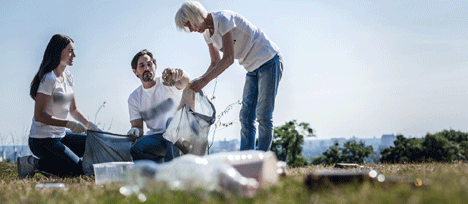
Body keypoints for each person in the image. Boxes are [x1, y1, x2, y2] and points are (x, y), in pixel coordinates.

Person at [175, 1, 283, 151]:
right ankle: (246, 158)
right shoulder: (207, 34)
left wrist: (204, 80)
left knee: (263, 114)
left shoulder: (223, 19)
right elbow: (215, 62)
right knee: (246, 117)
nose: (191, 30)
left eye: (189, 25)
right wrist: (199, 81)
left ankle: (262, 159)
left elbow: (228, 59)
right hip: (251, 68)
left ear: (196, 16)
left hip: (268, 60)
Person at [17, 34, 99, 178]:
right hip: (42, 140)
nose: (74, 55)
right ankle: (32, 163)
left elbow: (73, 109)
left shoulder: (68, 77)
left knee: (93, 144)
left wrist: (90, 125)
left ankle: (62, 162)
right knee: (78, 172)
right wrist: (69, 124)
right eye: (70, 51)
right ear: (58, 50)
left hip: (60, 135)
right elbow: (40, 115)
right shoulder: (48, 79)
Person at [127, 49, 191, 163]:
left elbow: (186, 81)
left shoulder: (167, 82)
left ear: (155, 67)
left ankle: (173, 169)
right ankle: (162, 168)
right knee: (135, 149)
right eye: (141, 66)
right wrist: (134, 131)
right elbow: (138, 127)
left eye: (149, 64)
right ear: (135, 71)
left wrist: (180, 73)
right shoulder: (134, 98)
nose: (146, 68)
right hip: (157, 138)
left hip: (179, 136)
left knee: (171, 121)